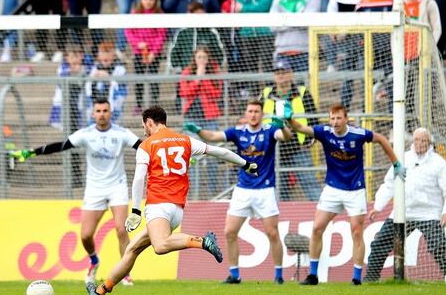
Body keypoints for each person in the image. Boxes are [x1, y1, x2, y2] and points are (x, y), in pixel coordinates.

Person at [86, 105, 259, 295]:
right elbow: (221, 152)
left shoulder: (146, 145)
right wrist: (246, 164)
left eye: (144, 125)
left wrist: (135, 211)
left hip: (158, 206)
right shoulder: (185, 140)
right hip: (176, 211)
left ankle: (202, 241)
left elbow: (138, 179)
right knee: (132, 249)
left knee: (160, 246)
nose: (144, 130)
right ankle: (101, 290)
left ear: (149, 122)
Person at [14, 99, 141, 285]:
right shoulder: (86, 134)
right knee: (85, 235)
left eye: (105, 110)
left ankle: (124, 272)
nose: (102, 114)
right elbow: (61, 145)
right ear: (93, 114)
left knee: (122, 229)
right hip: (94, 189)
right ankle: (94, 261)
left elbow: (143, 146)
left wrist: (168, 154)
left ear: (111, 113)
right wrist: (31, 152)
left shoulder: (121, 133)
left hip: (117, 186)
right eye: (98, 111)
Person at [286, 104, 406, 285]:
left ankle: (357, 278)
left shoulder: (357, 134)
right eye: (332, 118)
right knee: (317, 228)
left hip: (355, 190)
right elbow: (300, 128)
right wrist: (289, 119)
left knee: (357, 232)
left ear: (346, 119)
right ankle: (313, 275)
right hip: (332, 189)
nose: (335, 122)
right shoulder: (324, 132)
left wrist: (396, 163)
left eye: (338, 118)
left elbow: (381, 138)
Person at [184, 99, 294, 284]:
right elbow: (212, 137)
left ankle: (278, 276)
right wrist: (198, 131)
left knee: (273, 233)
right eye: (250, 111)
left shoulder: (269, 130)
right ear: (246, 113)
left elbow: (287, 137)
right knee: (229, 232)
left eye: (257, 111)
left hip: (265, 190)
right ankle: (234, 275)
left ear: (261, 114)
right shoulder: (238, 132)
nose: (253, 114)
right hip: (243, 190)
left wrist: (282, 126)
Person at [365, 127, 446, 282]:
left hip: (429, 214)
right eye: (417, 139)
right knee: (379, 244)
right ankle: (370, 278)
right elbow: (389, 184)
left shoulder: (439, 163)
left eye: (424, 140)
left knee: (438, 247)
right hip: (403, 212)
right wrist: (378, 206)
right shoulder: (402, 159)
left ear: (430, 143)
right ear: (412, 141)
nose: (420, 143)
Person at [262, 60, 320, 201]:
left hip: (297, 147)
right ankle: (278, 216)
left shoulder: (302, 92)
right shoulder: (266, 94)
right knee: (277, 187)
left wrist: (313, 136)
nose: (280, 76)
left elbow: (313, 116)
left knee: (310, 183)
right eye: (277, 73)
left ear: (291, 74)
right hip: (274, 147)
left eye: (284, 72)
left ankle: (323, 212)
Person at [179, 46, 223, 195]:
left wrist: (203, 77)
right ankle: (191, 192)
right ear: (194, 58)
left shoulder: (214, 72)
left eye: (204, 57)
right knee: (191, 156)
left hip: (210, 118)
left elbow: (216, 94)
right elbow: (185, 92)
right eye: (199, 57)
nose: (202, 60)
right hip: (192, 116)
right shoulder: (187, 72)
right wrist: (197, 78)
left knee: (212, 156)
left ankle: (212, 193)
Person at [269, 0, 320, 73]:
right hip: (281, 51)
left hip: (304, 51)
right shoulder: (278, 0)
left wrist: (284, 21)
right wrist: (297, 20)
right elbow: (273, 26)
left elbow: (308, 23)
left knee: (304, 87)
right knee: (283, 87)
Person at [125, 0, 166, 113]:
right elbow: (128, 32)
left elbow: (161, 34)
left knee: (154, 79)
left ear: (155, 1)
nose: (148, 2)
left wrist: (153, 51)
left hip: (154, 53)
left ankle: (154, 105)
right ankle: (138, 104)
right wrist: (138, 44)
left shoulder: (159, 14)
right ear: (141, 0)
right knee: (139, 79)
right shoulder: (135, 14)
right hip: (138, 52)